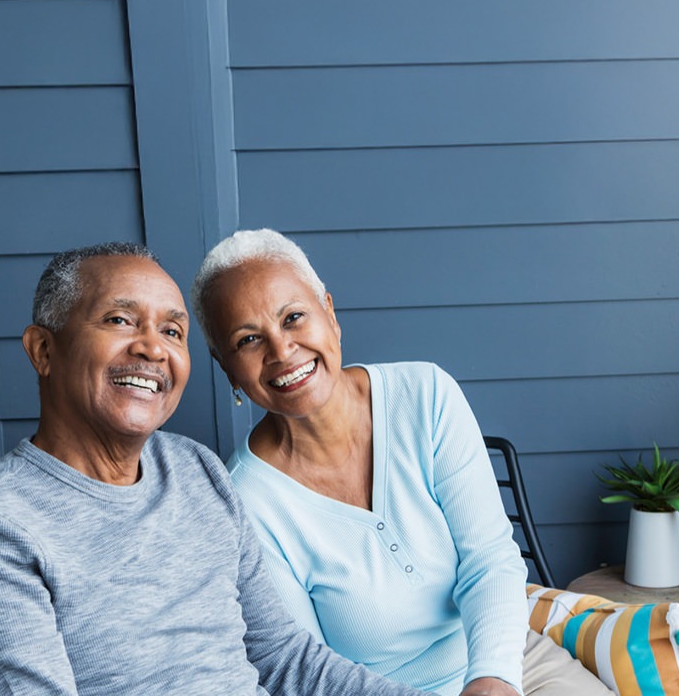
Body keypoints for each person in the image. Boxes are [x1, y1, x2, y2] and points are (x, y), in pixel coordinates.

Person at [0, 242, 426, 696]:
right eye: (120, 320)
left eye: (172, 330)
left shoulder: (194, 470)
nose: (153, 347)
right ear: (44, 350)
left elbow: (284, 658)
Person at [192, 229, 612, 696]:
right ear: (225, 366)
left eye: (294, 317)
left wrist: (493, 678)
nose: (281, 350)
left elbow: (489, 559)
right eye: (249, 339)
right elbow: (304, 666)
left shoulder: (425, 396)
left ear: (329, 313)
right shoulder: (247, 503)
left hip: (505, 661)